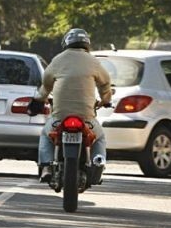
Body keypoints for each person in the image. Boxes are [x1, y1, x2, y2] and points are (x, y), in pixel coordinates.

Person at [28, 28, 112, 183]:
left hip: (59, 118)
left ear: (66, 43)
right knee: (99, 137)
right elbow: (105, 84)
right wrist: (105, 100)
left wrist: (39, 101)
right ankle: (98, 164)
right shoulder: (93, 62)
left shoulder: (58, 60)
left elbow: (45, 87)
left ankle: (46, 165)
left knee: (46, 135)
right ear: (87, 44)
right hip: (87, 119)